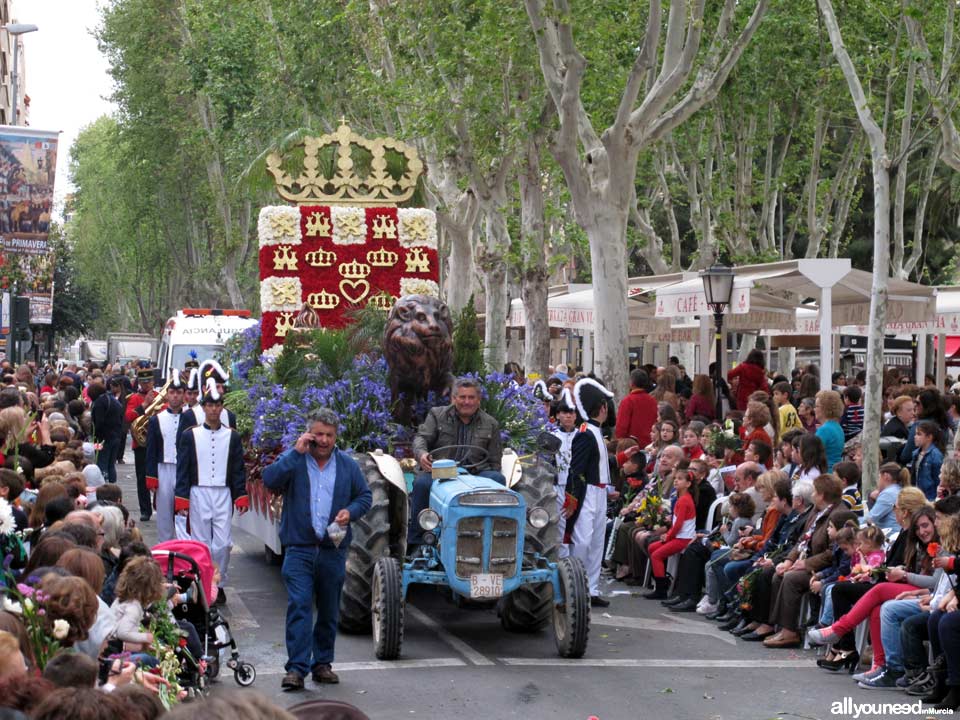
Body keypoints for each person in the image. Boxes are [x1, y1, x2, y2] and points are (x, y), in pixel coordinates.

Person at [262, 408, 372, 692]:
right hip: (299, 548)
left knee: (328, 608)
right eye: (319, 434)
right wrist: (295, 453)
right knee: (299, 604)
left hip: (332, 549)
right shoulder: (296, 461)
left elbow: (365, 496)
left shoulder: (347, 466)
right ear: (309, 434)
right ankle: (296, 669)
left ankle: (322, 663)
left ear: (336, 437)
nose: (324, 440)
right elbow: (270, 479)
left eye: (330, 435)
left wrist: (351, 510)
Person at [174, 378, 248, 604]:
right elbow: (183, 469)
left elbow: (237, 468)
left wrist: (240, 494)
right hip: (198, 493)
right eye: (210, 405)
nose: (214, 409)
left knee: (224, 543)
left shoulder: (232, 436)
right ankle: (202, 582)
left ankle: (219, 581)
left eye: (218, 405)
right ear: (203, 407)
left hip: (222, 493)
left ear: (222, 407)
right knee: (201, 542)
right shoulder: (190, 434)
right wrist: (182, 498)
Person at [409, 377, 504, 548]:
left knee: (498, 480)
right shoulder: (437, 415)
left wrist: (489, 477)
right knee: (422, 484)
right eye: (462, 397)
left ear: (478, 400)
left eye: (471, 397)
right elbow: (421, 438)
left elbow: (495, 460)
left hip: (476, 474)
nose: (466, 402)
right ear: (454, 398)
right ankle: (417, 542)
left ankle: (498, 539)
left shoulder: (491, 424)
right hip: (442, 472)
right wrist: (422, 454)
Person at [564, 378, 619, 607]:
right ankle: (576, 587)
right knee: (583, 540)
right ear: (602, 407)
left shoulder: (594, 432)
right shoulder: (585, 433)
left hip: (599, 492)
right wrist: (572, 498)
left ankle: (592, 589)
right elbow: (576, 470)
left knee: (596, 541)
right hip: (587, 492)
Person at [144, 369, 191, 543]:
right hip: (164, 469)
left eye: (179, 392)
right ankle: (165, 549)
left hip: (183, 470)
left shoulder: (191, 417)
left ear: (184, 395)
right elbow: (151, 451)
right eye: (172, 392)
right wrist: (151, 477)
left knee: (185, 514)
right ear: (167, 395)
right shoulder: (157, 419)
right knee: (164, 515)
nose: (175, 396)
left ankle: (185, 550)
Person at [124, 364, 157, 521]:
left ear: (152, 381)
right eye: (143, 382)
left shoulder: (160, 396)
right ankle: (145, 510)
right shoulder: (134, 398)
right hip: (141, 445)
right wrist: (144, 405)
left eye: (148, 381)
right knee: (142, 478)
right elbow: (128, 417)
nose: (146, 384)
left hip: (158, 443)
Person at [550, 388, 579, 557]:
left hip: (577, 486)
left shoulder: (582, 435)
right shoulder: (552, 435)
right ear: (558, 415)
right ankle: (563, 560)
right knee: (561, 524)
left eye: (571, 413)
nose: (568, 416)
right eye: (564, 412)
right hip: (559, 485)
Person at [89, 383, 123, 485]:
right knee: (111, 464)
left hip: (103, 438)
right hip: (116, 435)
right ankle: (112, 485)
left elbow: (99, 422)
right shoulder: (113, 400)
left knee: (101, 462)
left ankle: (103, 487)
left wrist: (94, 437)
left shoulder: (99, 402)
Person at [615, 368, 658, 441]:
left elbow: (621, 427)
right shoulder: (653, 400)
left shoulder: (627, 401)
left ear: (631, 383)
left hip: (631, 445)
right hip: (649, 443)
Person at [912, 420, 945, 500]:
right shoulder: (916, 453)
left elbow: (938, 479)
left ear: (929, 437)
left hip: (930, 497)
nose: (915, 436)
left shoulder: (936, 455)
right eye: (915, 434)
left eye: (919, 434)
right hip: (917, 496)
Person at [814, 390, 846, 471]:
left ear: (825, 409)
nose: (814, 409)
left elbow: (812, 454)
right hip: (835, 471)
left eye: (816, 406)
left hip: (825, 472)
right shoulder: (837, 427)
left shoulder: (824, 430)